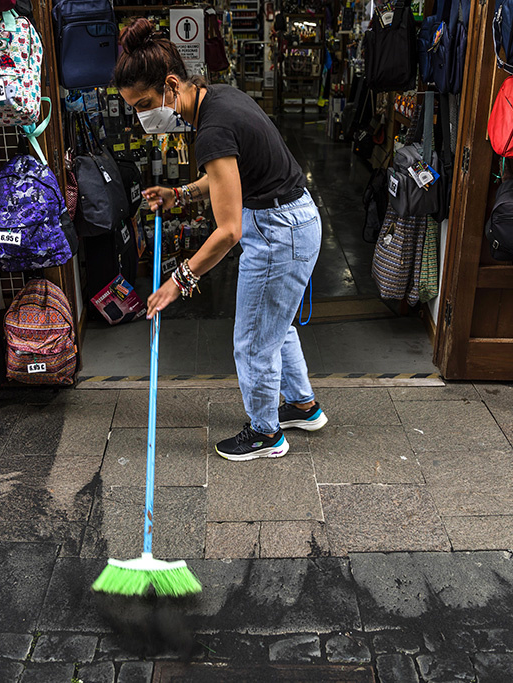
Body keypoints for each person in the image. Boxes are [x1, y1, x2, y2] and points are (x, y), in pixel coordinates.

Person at [113, 18, 328, 462]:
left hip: (276, 233)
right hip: (293, 222)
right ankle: (303, 406)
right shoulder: (219, 98)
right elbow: (225, 175)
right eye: (133, 107)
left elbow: (228, 231)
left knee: (252, 341)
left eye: (145, 103)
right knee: (276, 324)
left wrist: (178, 280)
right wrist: (181, 193)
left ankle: (267, 434)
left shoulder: (210, 128)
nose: (142, 116)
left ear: (171, 85)